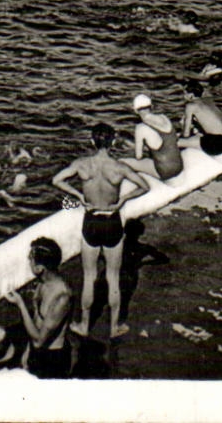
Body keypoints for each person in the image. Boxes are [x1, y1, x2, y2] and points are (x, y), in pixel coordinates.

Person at [51, 124, 151, 338]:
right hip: (112, 221)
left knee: (89, 276)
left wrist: (78, 196)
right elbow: (144, 186)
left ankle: (84, 325)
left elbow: (56, 180)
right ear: (113, 142)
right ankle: (115, 327)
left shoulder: (82, 164)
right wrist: (123, 199)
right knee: (113, 277)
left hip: (91, 222)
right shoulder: (119, 167)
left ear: (92, 141)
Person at [6, 237, 72, 378]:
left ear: (40, 268)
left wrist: (20, 304)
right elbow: (37, 322)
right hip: (37, 353)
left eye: (31, 259)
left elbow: (39, 340)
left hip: (52, 360)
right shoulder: (43, 282)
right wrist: (27, 353)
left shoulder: (61, 297)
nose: (28, 262)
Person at [129, 94, 185, 180]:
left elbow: (138, 157)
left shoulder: (140, 128)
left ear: (135, 110)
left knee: (124, 161)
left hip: (164, 172)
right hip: (179, 167)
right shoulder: (164, 117)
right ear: (152, 106)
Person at [180, 79, 222, 157]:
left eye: (185, 93)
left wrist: (183, 136)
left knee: (178, 142)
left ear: (191, 95)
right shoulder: (208, 100)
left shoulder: (191, 106)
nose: (183, 96)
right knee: (196, 131)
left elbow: (186, 134)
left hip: (216, 146)